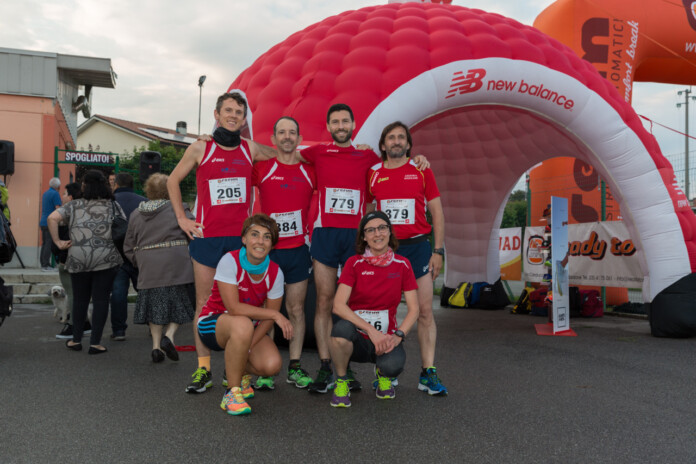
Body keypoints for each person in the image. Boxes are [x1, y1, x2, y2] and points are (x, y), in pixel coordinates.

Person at [297, 104, 429, 393]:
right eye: (335, 122)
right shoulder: (318, 151)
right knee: (324, 301)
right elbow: (282, 151)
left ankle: (349, 367)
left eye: (345, 121)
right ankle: (326, 366)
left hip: (357, 238)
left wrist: (418, 159)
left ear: (353, 124)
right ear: (328, 126)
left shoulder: (368, 156)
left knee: (356, 302)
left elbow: (396, 162)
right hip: (325, 234)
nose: (340, 126)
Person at [167, 91, 277, 393]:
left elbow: (283, 154)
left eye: (239, 113)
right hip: (207, 239)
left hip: (241, 243)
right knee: (205, 304)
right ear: (217, 114)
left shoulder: (249, 147)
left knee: (243, 305)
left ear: (243, 119)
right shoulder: (201, 147)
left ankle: (238, 368)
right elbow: (172, 180)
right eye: (228, 111)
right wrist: (182, 218)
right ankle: (203, 369)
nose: (233, 116)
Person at [368, 121, 448, 395]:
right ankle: (384, 371)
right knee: (384, 311)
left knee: (425, 311)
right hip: (386, 251)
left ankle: (428, 372)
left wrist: (438, 250)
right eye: (391, 137)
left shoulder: (422, 170)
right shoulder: (373, 174)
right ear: (383, 145)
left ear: (408, 144)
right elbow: (367, 212)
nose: (396, 141)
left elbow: (437, 213)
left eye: (401, 137)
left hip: (418, 248)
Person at [197, 213, 293, 415]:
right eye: (254, 234)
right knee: (242, 323)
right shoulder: (229, 261)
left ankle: (238, 370)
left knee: (271, 365)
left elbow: (267, 318)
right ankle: (231, 393)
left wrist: (247, 347)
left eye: (267, 237)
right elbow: (234, 308)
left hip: (246, 328)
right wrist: (275, 315)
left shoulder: (275, 272)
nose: (260, 241)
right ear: (244, 239)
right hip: (212, 323)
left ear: (272, 244)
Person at [329, 211, 419, 407]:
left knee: (393, 366)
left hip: (386, 339)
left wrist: (399, 335)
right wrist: (371, 330)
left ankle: (383, 375)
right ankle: (342, 381)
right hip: (358, 337)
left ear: (389, 232)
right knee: (340, 331)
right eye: (370, 230)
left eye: (382, 228)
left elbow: (414, 309)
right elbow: (338, 305)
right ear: (364, 237)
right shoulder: (354, 263)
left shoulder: (403, 264)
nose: (377, 234)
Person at [252, 116, 315, 389]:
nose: (287, 137)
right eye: (282, 132)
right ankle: (262, 369)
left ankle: (295, 366)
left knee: (296, 309)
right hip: (267, 253)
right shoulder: (262, 168)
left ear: (299, 139)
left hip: (298, 252)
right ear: (273, 139)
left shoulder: (310, 171)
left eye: (292, 132)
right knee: (265, 311)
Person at [48, 170, 124, 354]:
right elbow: (123, 226)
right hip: (106, 258)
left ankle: (76, 340)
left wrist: (58, 242)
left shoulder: (74, 205)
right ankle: (95, 343)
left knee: (80, 299)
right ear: (105, 185)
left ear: (84, 186)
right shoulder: (113, 205)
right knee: (101, 300)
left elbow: (52, 218)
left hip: (78, 258)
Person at [124, 173, 195, 363]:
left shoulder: (136, 214)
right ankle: (169, 336)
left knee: (154, 306)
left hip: (148, 267)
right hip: (176, 264)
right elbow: (194, 231)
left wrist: (139, 261)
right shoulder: (178, 209)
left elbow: (128, 245)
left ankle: (156, 347)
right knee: (180, 303)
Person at [110, 172, 146, 341]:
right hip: (140, 253)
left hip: (116, 253)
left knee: (118, 293)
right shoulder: (144, 202)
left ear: (116, 184)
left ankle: (119, 331)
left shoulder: (109, 202)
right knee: (145, 291)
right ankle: (153, 324)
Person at [54, 182, 92, 339]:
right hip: (82, 258)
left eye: (64, 193)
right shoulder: (85, 211)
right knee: (78, 293)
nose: (62, 196)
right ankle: (85, 323)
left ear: (70, 197)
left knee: (72, 293)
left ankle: (74, 326)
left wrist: (60, 250)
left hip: (68, 260)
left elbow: (66, 239)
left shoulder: (68, 213)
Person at [40, 177, 61, 271]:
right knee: (49, 243)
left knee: (45, 243)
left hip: (43, 221)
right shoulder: (55, 194)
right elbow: (58, 208)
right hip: (50, 222)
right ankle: (46, 265)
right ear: (58, 186)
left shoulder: (45, 193)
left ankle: (43, 264)